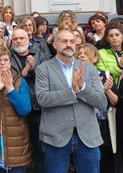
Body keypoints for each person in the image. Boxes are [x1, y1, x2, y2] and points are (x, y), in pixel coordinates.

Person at [35, 29, 107, 173]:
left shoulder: (89, 69)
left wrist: (82, 88)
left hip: (87, 136)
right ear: (55, 44)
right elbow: (42, 98)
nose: (69, 44)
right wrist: (72, 92)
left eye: (72, 41)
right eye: (64, 41)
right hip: (56, 137)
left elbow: (101, 102)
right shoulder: (43, 69)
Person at [76, 43, 123, 173]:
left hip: (104, 126)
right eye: (79, 54)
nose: (81, 56)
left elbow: (116, 102)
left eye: (86, 54)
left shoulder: (106, 75)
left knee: (105, 158)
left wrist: (107, 90)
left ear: (95, 58)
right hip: (83, 125)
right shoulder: (73, 75)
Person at [11, 28, 49, 173]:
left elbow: (48, 77)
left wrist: (33, 70)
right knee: (19, 149)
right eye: (15, 39)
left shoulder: (40, 55)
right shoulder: (7, 56)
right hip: (16, 109)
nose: (19, 41)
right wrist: (24, 72)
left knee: (41, 149)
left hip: (38, 107)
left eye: (22, 38)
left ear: (28, 39)